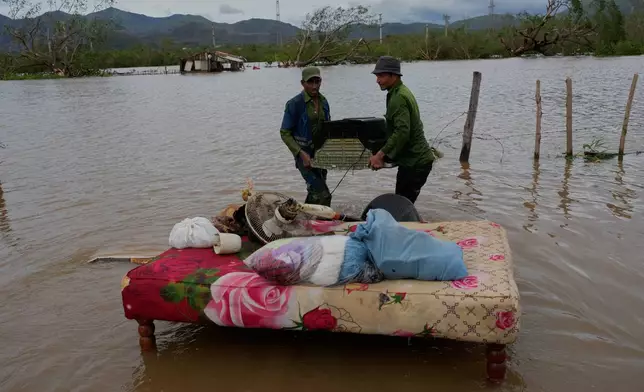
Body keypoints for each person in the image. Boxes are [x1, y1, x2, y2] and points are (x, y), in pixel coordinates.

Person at [368, 56, 435, 204]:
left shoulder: (399, 97)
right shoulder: (399, 92)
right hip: (412, 161)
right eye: (377, 76)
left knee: (402, 205)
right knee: (403, 202)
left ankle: (412, 225)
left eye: (381, 76)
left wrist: (379, 155)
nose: (377, 80)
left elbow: (402, 132)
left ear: (394, 75)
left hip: (416, 162)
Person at [279, 66, 332, 206]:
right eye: (310, 82)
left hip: (320, 155)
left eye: (317, 81)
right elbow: (284, 133)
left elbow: (328, 127)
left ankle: (304, 219)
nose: (315, 86)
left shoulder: (324, 101)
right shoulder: (294, 104)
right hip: (304, 157)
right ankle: (324, 225)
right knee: (324, 195)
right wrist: (301, 154)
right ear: (303, 83)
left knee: (315, 193)